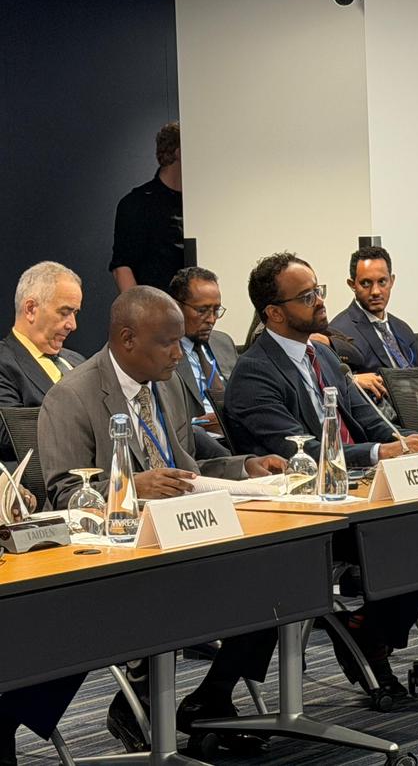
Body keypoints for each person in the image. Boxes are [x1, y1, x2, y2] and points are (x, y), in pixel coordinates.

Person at [38, 286, 285, 754]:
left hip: (189, 532)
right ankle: (143, 700)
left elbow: (189, 470)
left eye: (179, 341)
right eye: (167, 343)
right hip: (127, 557)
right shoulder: (71, 397)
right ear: (127, 339)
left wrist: (246, 466)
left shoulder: (167, 384)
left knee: (276, 577)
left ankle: (212, 696)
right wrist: (131, 487)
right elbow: (65, 497)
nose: (177, 353)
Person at [224, 252, 418, 695]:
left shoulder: (322, 356)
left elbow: (374, 425)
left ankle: (367, 629)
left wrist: (415, 445)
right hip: (306, 515)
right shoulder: (254, 373)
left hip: (356, 494)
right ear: (274, 313)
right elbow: (305, 453)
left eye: (318, 290)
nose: (320, 302)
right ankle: (368, 633)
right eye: (307, 297)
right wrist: (382, 452)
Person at [0, 262, 85, 464]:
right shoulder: (4, 363)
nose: (72, 325)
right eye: (64, 312)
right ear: (30, 309)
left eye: (75, 313)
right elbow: (11, 433)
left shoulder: (78, 361)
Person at [329, 247, 418, 412]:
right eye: (366, 283)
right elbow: (331, 383)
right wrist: (354, 379)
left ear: (392, 281)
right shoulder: (338, 332)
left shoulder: (402, 328)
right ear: (352, 284)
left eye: (382, 282)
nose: (376, 291)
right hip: (382, 417)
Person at [110, 122, 185, 292]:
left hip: (197, 305)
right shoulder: (137, 203)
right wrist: (138, 307)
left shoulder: (201, 203)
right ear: (179, 152)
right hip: (156, 304)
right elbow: (122, 266)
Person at [168, 267, 238, 437]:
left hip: (237, 437)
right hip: (195, 441)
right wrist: (199, 423)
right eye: (202, 311)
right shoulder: (164, 352)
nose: (211, 319)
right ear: (176, 307)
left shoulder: (223, 342)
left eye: (216, 310)